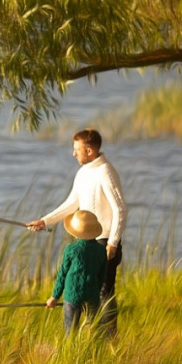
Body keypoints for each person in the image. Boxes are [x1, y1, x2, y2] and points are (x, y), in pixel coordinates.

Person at [29, 128, 127, 316]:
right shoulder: (83, 173)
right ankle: (88, 337)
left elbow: (120, 209)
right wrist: (44, 221)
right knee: (85, 291)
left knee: (104, 293)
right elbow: (71, 203)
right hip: (87, 240)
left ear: (89, 150)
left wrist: (113, 242)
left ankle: (108, 339)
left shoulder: (105, 172)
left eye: (77, 149)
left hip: (105, 243)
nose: (73, 153)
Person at [46, 210, 107, 332]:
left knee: (70, 331)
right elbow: (102, 275)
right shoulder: (101, 250)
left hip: (72, 294)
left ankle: (71, 350)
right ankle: (94, 350)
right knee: (94, 329)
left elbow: (62, 274)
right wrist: (96, 290)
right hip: (92, 294)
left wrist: (54, 297)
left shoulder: (71, 249)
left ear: (76, 232)